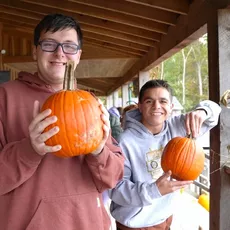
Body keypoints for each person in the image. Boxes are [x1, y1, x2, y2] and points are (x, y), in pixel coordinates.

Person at [0, 14, 124, 230]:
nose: (60, 53)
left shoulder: (91, 103)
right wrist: (29, 150)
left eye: (69, 46)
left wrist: (98, 151)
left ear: (78, 55)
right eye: (49, 44)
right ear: (34, 51)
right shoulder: (4, 97)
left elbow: (113, 178)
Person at [109, 79, 221, 230]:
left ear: (171, 106)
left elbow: (215, 109)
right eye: (149, 101)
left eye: (163, 101)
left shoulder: (178, 126)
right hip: (136, 224)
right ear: (140, 106)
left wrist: (203, 111)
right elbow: (116, 190)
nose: (157, 106)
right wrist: (154, 190)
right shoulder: (124, 141)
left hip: (165, 218)